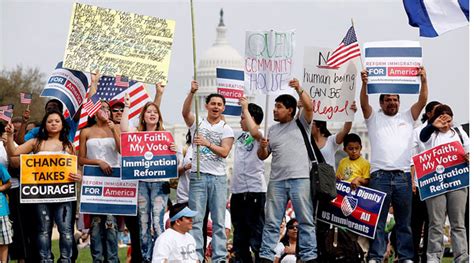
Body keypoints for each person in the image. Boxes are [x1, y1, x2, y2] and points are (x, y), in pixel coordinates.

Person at [360, 66, 428, 263]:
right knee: (378, 221)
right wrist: (364, 83)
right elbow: (363, 103)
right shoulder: (373, 118)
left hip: (403, 176)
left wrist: (424, 79)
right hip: (379, 176)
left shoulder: (408, 116)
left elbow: (422, 100)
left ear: (399, 102)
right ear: (381, 103)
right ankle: (375, 256)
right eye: (388, 100)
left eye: (395, 100)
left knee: (404, 222)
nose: (392, 103)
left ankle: (405, 257)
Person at [4, 110, 82, 262]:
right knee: (43, 231)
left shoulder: (68, 145)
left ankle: (66, 260)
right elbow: (14, 152)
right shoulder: (36, 142)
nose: (53, 123)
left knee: (66, 231)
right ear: (45, 125)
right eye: (50, 121)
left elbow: (77, 167)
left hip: (63, 195)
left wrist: (79, 175)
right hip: (40, 195)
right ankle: (46, 260)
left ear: (62, 124)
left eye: (57, 121)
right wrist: (10, 136)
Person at [257, 78, 317, 263]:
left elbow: (309, 106)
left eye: (279, 106)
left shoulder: (301, 123)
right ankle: (266, 255)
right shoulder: (272, 130)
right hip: (277, 181)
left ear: (290, 110)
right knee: (272, 222)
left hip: (300, 179)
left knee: (305, 221)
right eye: (274, 106)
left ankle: (309, 256)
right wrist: (263, 147)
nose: (275, 109)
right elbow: (262, 156)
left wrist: (299, 89)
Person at [181, 80, 234, 262]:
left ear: (223, 108)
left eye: (219, 104)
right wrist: (191, 93)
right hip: (198, 176)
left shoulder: (226, 129)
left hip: (218, 179)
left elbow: (225, 152)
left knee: (219, 221)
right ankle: (196, 256)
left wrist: (207, 143)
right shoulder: (198, 122)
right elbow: (185, 113)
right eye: (213, 103)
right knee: (196, 221)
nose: (216, 107)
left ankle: (219, 257)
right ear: (206, 105)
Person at [120, 83, 172, 262]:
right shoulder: (136, 133)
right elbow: (124, 129)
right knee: (143, 224)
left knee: (157, 223)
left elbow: (175, 161)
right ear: (143, 117)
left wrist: (173, 149)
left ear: (159, 117)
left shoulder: (166, 135)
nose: (152, 114)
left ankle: (160, 258)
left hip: (160, 184)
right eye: (148, 112)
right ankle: (145, 258)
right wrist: (126, 106)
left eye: (155, 112)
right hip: (141, 183)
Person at [419, 104, 469, 263]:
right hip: (436, 185)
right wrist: (434, 124)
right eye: (443, 120)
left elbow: (469, 150)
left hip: (457, 182)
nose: (446, 124)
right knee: (436, 223)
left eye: (449, 120)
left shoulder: (460, 133)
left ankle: (462, 257)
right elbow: (422, 137)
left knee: (458, 223)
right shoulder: (431, 135)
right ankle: (433, 258)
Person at [79, 99, 121, 262]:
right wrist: (98, 162)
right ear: (94, 112)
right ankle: (97, 259)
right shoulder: (86, 132)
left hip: (112, 181)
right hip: (93, 181)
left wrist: (114, 130)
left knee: (111, 223)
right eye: (102, 108)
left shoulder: (115, 128)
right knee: (96, 224)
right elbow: (80, 159)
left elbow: (123, 150)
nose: (106, 111)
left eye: (107, 109)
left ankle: (112, 259)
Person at [229, 97, 266, 263]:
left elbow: (254, 132)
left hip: (254, 190)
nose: (240, 120)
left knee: (256, 232)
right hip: (237, 191)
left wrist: (245, 107)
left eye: (243, 117)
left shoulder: (261, 134)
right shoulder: (239, 136)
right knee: (240, 235)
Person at [108, 98, 142, 262]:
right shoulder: (101, 130)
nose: (119, 112)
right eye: (115, 110)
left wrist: (159, 93)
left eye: (122, 109)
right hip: (108, 183)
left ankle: (137, 258)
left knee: (135, 227)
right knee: (109, 227)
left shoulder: (132, 130)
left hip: (130, 185)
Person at [410, 101, 441, 263]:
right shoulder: (417, 132)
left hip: (439, 186)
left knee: (434, 225)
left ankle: (430, 259)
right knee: (416, 224)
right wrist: (412, 182)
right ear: (429, 114)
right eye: (438, 111)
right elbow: (412, 158)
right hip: (421, 186)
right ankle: (413, 257)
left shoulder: (447, 133)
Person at [310, 101, 356, 168]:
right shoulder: (307, 142)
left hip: (328, 177)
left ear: (318, 126)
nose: (309, 125)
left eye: (312, 123)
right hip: (312, 177)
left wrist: (350, 114)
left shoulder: (331, 140)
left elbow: (345, 130)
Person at [0, 157, 12, 263]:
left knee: (4, 240)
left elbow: (9, 183)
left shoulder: (0, 167)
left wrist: (0, 188)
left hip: (1, 210)